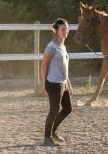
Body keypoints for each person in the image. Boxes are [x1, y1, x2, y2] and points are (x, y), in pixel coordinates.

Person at [41, 18, 73, 146]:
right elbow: (43, 66)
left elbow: (63, 67)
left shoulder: (62, 46)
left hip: (63, 83)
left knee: (68, 109)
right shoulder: (52, 47)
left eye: (67, 29)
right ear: (57, 31)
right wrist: (44, 83)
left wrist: (69, 84)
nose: (66, 31)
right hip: (54, 83)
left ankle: (53, 132)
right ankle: (47, 138)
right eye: (63, 29)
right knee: (54, 110)